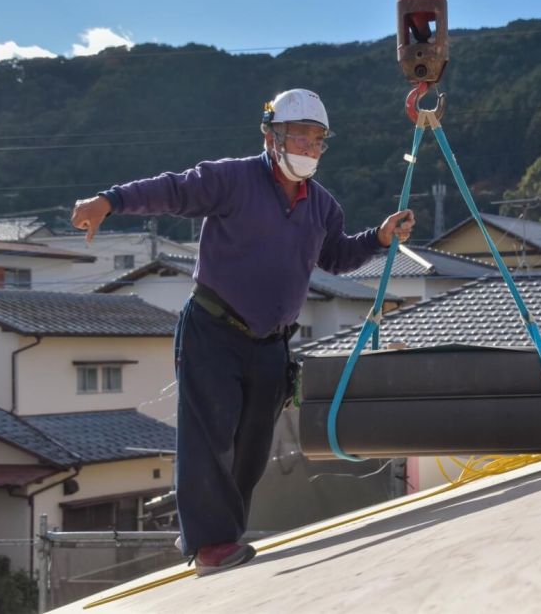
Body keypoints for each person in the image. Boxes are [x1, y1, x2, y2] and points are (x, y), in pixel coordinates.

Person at [71, 88, 415, 575]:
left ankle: (218, 535)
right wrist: (111, 200)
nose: (309, 147)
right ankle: (209, 544)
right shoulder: (231, 179)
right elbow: (173, 189)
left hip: (272, 343)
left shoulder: (322, 206)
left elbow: (336, 255)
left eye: (318, 140)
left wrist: (379, 238)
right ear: (271, 136)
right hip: (214, 328)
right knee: (208, 436)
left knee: (252, 450)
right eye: (299, 135)